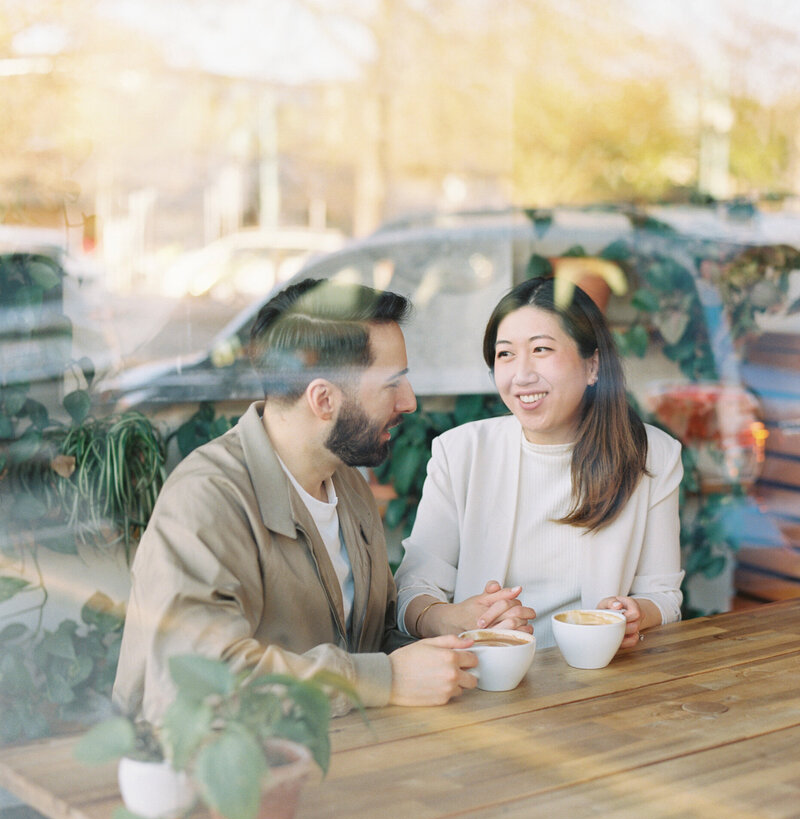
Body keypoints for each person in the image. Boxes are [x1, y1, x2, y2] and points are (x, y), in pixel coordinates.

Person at [113, 278, 531, 723]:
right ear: (324, 399)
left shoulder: (345, 481)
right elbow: (194, 683)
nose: (408, 402)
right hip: (216, 779)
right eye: (393, 384)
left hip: (339, 762)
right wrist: (381, 678)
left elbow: (362, 641)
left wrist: (443, 623)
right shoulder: (204, 500)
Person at [395, 276, 684, 651]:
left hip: (596, 678)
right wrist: (451, 618)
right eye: (505, 354)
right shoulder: (461, 452)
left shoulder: (651, 455)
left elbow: (663, 595)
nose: (522, 375)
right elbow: (412, 591)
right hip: (487, 677)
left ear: (592, 365)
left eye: (542, 349)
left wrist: (633, 614)